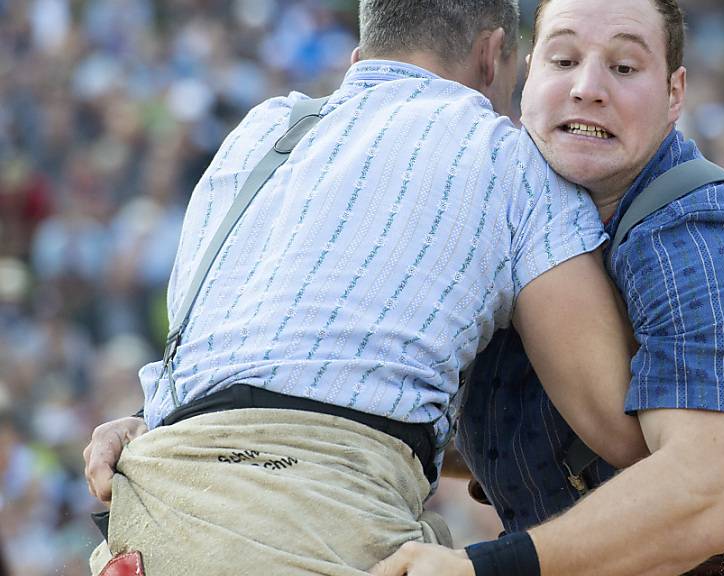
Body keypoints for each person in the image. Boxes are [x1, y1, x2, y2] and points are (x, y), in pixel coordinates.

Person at [79, 1, 656, 574]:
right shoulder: (508, 156)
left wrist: (145, 416)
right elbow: (620, 432)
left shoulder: (259, 131)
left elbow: (247, 369)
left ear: (361, 57)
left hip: (151, 519)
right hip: (322, 528)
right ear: (493, 55)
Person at [369, 0, 724, 574]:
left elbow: (702, 502)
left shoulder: (697, 234)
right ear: (526, 74)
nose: (587, 88)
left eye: (625, 68)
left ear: (674, 93)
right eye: (563, 60)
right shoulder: (500, 199)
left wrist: (477, 569)